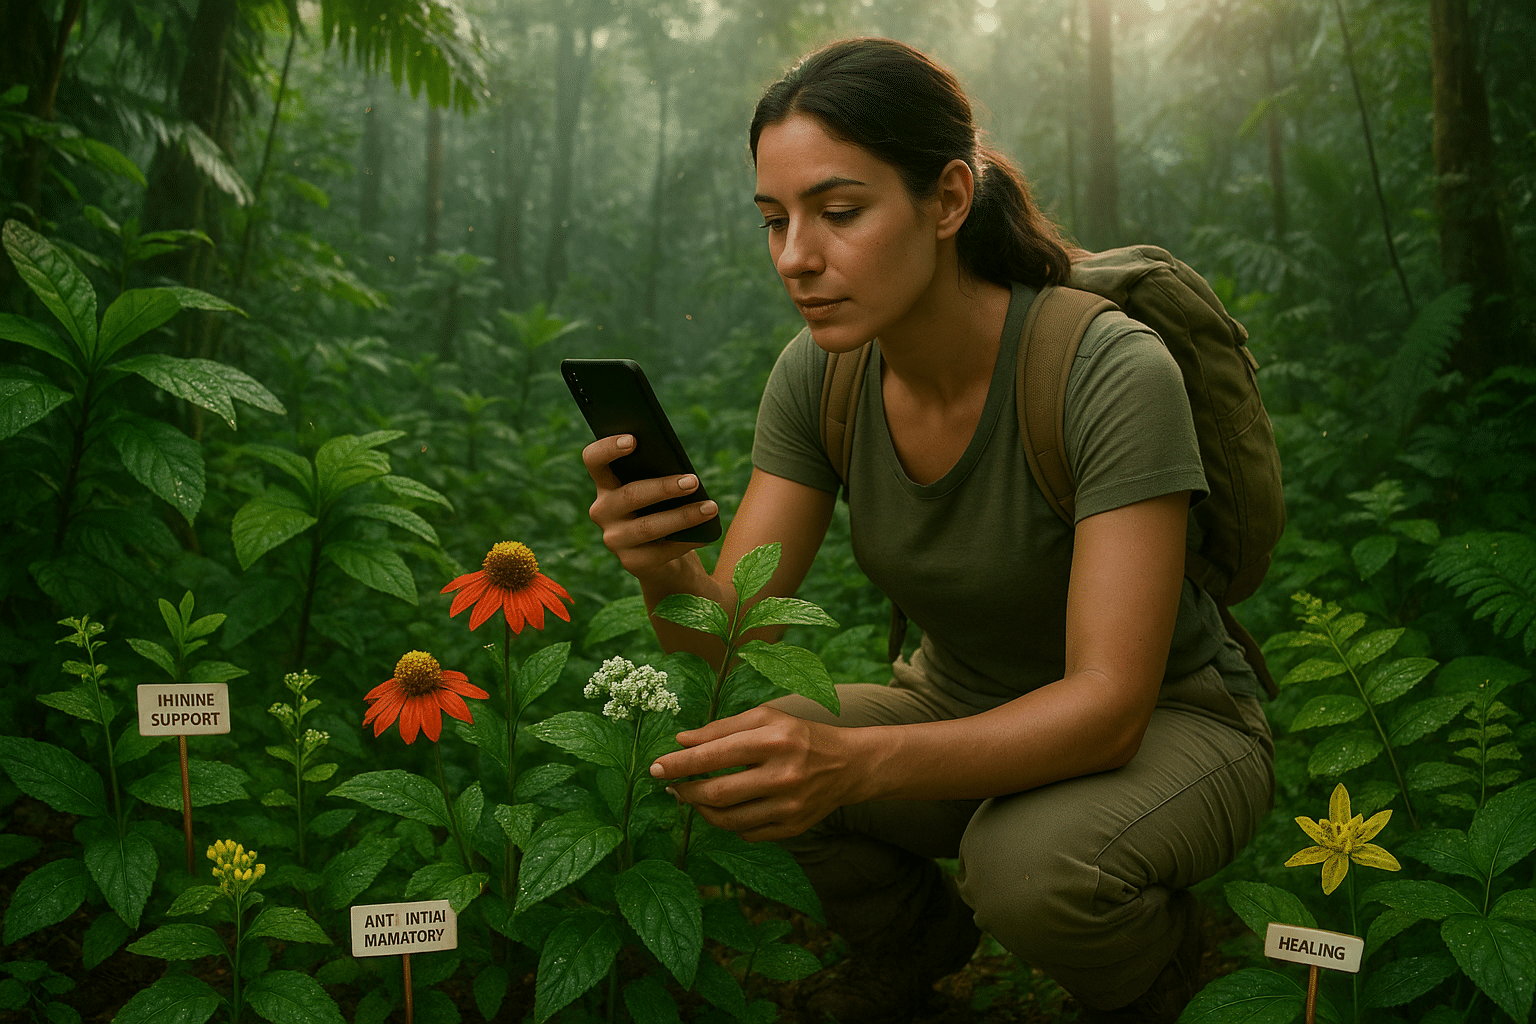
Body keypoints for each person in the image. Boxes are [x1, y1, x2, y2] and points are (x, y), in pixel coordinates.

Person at [581, 37, 1274, 1024]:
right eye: (775, 221)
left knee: (1025, 865)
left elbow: (1111, 705)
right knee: (738, 751)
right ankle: (913, 942)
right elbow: (735, 649)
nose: (795, 257)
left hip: (1170, 724)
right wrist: (661, 564)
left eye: (840, 212)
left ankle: (1162, 970)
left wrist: (856, 764)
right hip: (953, 708)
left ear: (947, 200)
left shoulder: (1106, 370)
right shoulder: (822, 375)